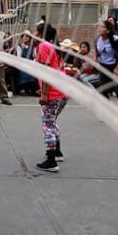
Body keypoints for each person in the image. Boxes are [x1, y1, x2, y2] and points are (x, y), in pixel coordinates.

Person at [34, 22, 67, 172]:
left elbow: (45, 71)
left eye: (36, 31)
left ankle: (51, 160)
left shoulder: (44, 46)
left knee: (47, 125)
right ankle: (57, 152)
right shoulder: (54, 46)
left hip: (53, 93)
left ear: (41, 33)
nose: (34, 34)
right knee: (52, 122)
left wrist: (45, 93)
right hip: (62, 92)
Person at [94, 20, 118, 111]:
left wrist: (117, 68)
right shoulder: (97, 39)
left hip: (115, 66)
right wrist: (96, 59)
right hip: (103, 66)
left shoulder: (114, 39)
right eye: (99, 26)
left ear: (108, 30)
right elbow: (96, 50)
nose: (99, 28)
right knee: (103, 91)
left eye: (102, 27)